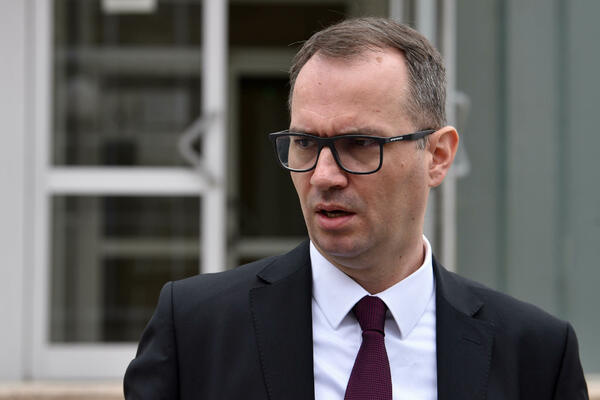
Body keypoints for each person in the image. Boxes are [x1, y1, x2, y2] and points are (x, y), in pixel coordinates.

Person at [124, 17, 589, 399]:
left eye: (361, 144)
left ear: (438, 156)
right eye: (306, 143)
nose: (324, 175)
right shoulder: (195, 329)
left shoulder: (536, 355)